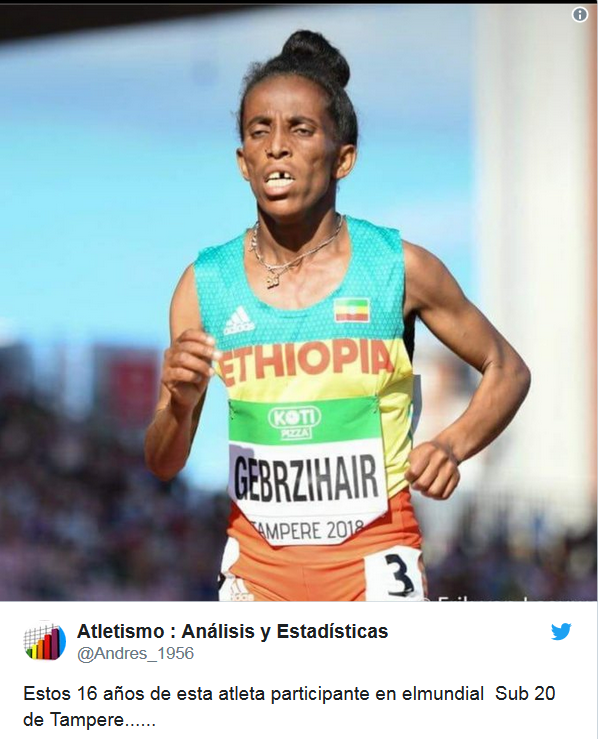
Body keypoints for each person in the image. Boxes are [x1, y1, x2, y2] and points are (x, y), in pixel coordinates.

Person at [144, 30, 531, 602]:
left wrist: (452, 446)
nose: (277, 147)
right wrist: (179, 404)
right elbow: (163, 461)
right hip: (257, 577)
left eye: (301, 129)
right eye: (260, 130)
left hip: (374, 567)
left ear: (343, 158)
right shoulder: (205, 285)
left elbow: (507, 368)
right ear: (243, 161)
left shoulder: (399, 267)